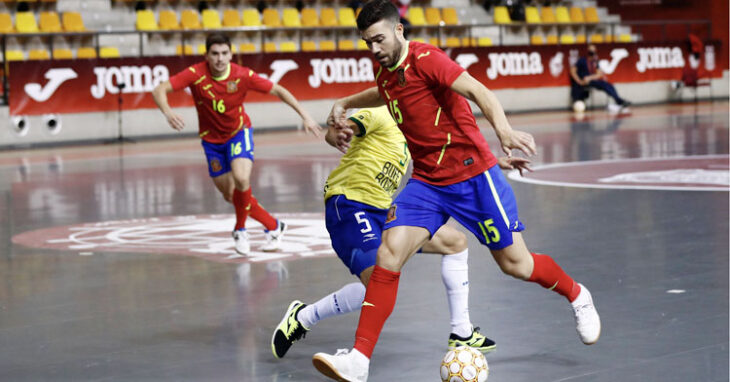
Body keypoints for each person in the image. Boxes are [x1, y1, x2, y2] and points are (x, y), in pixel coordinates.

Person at [312, 2, 601, 381]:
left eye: (379, 39)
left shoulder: (427, 58)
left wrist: (504, 133)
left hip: (473, 179)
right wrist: (346, 102)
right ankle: (359, 361)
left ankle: (578, 294)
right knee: (389, 252)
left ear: (399, 30)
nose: (374, 49)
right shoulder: (386, 73)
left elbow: (478, 89)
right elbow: (383, 92)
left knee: (517, 264)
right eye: (367, 43)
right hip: (428, 183)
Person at [271, 106, 532, 360]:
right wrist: (335, 135)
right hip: (350, 204)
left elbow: (443, 162)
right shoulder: (378, 114)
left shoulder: (414, 128)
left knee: (455, 242)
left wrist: (494, 164)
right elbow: (339, 131)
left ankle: (461, 332)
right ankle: (305, 317)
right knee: (377, 284)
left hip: (383, 210)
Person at [152, 32, 321, 256]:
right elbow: (159, 89)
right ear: (207, 56)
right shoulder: (195, 73)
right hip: (211, 141)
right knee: (231, 195)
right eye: (215, 54)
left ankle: (240, 229)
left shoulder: (243, 75)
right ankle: (273, 225)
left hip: (238, 133)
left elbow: (278, 90)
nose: (220, 58)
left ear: (231, 54)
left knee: (242, 179)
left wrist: (305, 116)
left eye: (224, 53)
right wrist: (168, 112)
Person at [570, 44, 631, 114]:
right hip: (583, 82)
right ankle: (619, 100)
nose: (592, 53)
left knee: (608, 85)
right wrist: (579, 81)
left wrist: (589, 78)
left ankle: (619, 100)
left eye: (593, 51)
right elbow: (573, 71)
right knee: (578, 91)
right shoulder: (582, 60)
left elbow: (599, 74)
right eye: (590, 51)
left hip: (592, 80)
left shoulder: (595, 62)